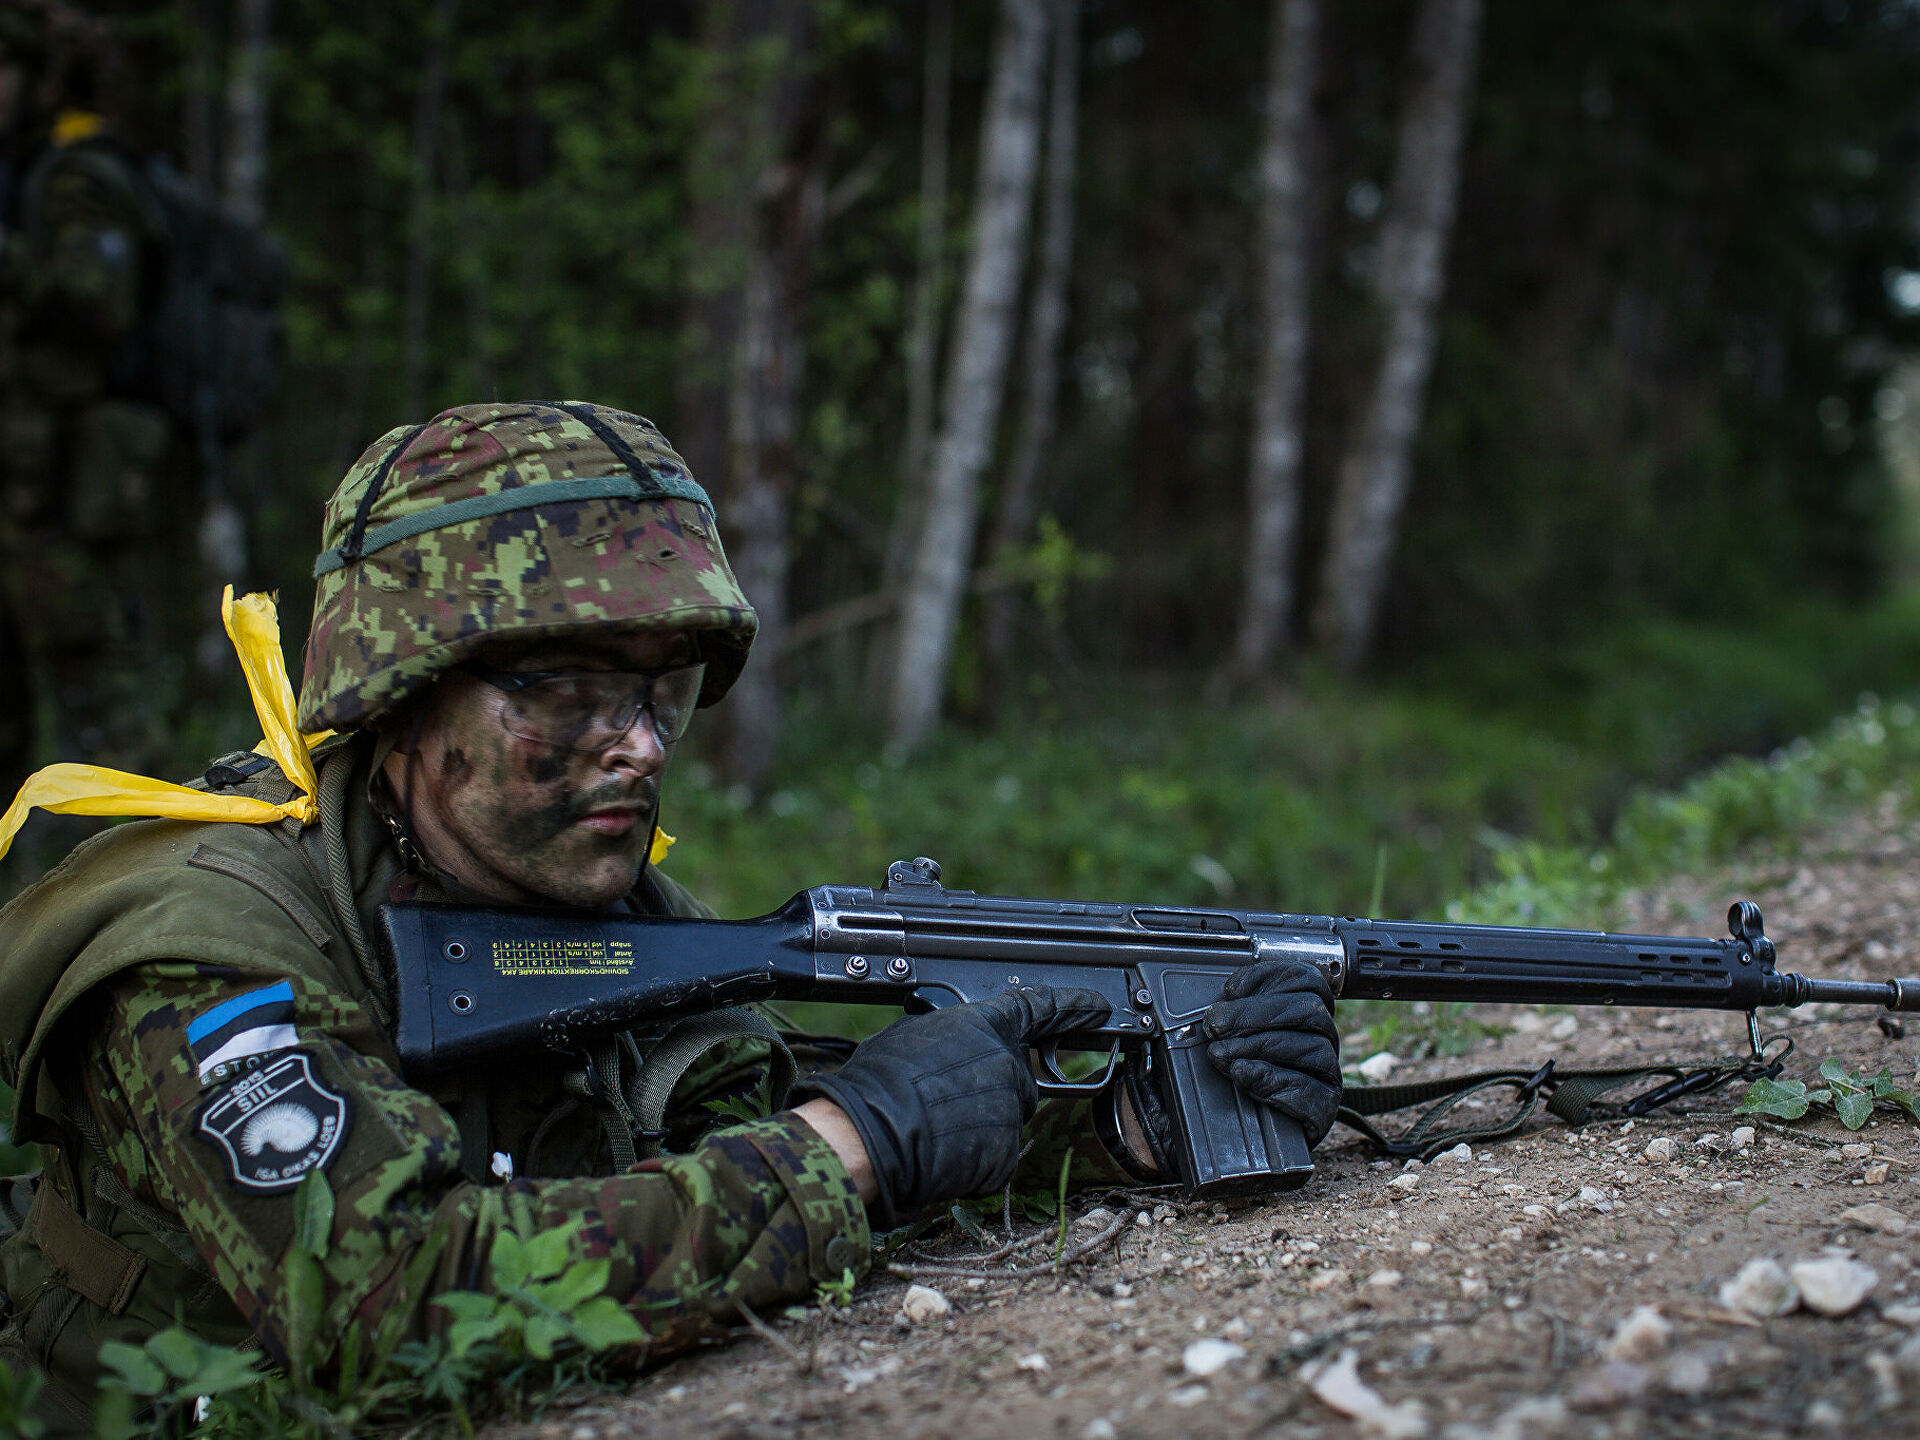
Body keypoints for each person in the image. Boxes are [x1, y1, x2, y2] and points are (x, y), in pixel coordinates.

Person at [0, 401, 1342, 1432]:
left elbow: (728, 1155)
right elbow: (379, 1308)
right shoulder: (203, 949)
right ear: (400, 701)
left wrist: (1112, 1127)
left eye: (665, 691)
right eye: (572, 690)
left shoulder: (605, 902)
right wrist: (859, 1142)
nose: (638, 746)